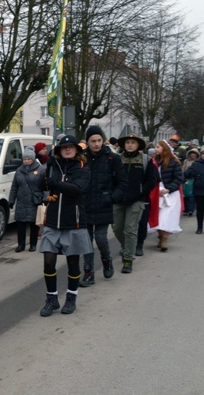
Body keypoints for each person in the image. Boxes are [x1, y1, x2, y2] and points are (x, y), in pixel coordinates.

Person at [38, 135, 92, 316]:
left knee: (73, 262)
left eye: (71, 147)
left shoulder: (83, 168)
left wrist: (58, 184)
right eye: (64, 147)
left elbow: (77, 189)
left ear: (77, 149)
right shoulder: (53, 166)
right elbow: (42, 185)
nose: (67, 149)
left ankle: (71, 297)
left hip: (74, 222)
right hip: (53, 221)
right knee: (48, 261)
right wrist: (44, 179)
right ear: (59, 150)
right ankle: (51, 299)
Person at [80, 125, 127, 287]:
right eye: (93, 141)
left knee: (100, 238)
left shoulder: (112, 158)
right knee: (86, 240)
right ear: (87, 142)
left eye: (99, 140)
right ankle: (88, 272)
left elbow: (122, 182)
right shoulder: (81, 159)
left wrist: (112, 197)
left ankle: (107, 261)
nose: (97, 144)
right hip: (85, 205)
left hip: (103, 204)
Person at [112, 134, 157, 273]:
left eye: (133, 143)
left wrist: (142, 192)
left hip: (136, 200)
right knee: (117, 228)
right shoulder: (117, 159)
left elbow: (152, 179)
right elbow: (111, 177)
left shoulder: (146, 160)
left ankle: (128, 259)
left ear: (138, 145)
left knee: (130, 229)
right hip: (118, 200)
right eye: (127, 143)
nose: (130, 145)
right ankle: (127, 247)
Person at [148, 140, 183, 251]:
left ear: (164, 149)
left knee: (167, 218)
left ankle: (164, 240)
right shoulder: (153, 162)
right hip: (157, 193)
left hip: (170, 194)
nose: (156, 149)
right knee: (158, 217)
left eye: (158, 147)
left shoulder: (174, 162)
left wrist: (169, 189)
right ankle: (160, 235)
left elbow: (179, 178)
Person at [9, 146, 45, 252]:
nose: (26, 161)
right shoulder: (19, 171)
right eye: (24, 159)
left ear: (33, 159)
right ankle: (21, 245)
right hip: (21, 201)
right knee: (20, 225)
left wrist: (45, 199)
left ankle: (33, 244)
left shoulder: (40, 170)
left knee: (34, 224)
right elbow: (14, 186)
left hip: (35, 200)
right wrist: (11, 200)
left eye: (28, 159)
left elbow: (45, 186)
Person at [181, 148, 199, 217]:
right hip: (186, 179)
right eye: (192, 153)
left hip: (194, 179)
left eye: (194, 153)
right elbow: (183, 169)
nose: (193, 155)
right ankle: (185, 209)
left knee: (192, 195)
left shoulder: (198, 162)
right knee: (185, 194)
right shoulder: (186, 161)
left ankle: (191, 209)